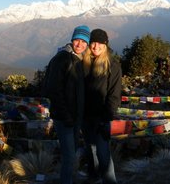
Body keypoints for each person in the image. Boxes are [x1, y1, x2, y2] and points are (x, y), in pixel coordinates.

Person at [42, 25, 90, 184]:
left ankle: (68, 179)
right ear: (72, 40)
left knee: (72, 153)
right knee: (69, 155)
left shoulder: (80, 59)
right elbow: (52, 89)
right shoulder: (62, 58)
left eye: (84, 42)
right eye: (77, 40)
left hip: (75, 117)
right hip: (65, 117)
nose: (80, 44)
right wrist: (66, 115)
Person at [82, 29, 122, 184]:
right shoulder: (84, 62)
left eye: (100, 43)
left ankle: (110, 181)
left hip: (102, 118)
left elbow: (114, 95)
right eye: (93, 42)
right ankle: (94, 179)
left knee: (103, 154)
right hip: (85, 117)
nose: (96, 46)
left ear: (105, 45)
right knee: (91, 151)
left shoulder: (113, 65)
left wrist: (106, 118)